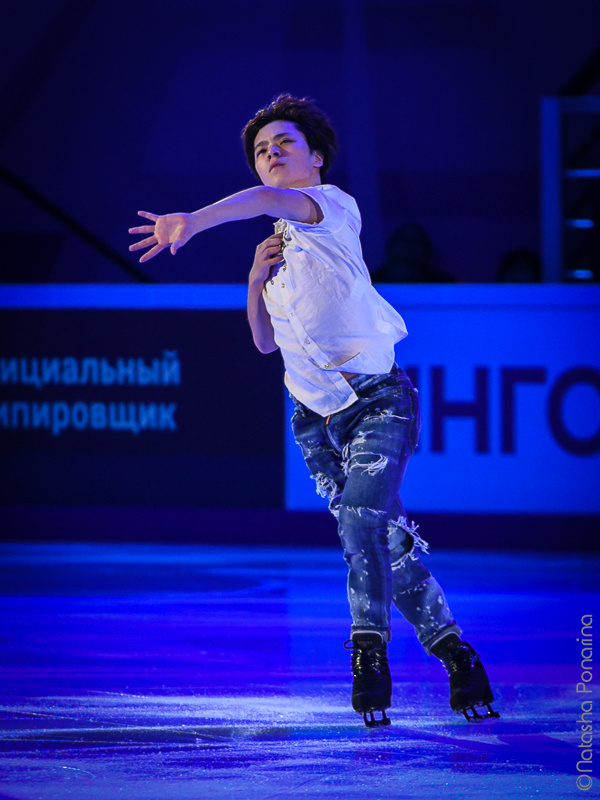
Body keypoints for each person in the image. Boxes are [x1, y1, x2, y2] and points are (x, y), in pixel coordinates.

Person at [129, 94, 499, 728]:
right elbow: (264, 341)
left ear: (317, 157)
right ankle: (456, 653)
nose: (270, 153)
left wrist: (191, 220)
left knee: (361, 521)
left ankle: (367, 651)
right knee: (380, 539)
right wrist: (253, 281)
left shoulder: (331, 209)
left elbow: (267, 200)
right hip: (313, 420)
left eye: (283, 144)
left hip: (378, 400)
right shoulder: (275, 251)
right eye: (260, 149)